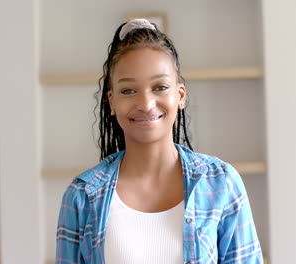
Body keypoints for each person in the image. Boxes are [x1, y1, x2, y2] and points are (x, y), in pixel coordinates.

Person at [56, 18, 263, 264]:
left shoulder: (222, 183)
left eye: (160, 87)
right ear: (111, 102)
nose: (145, 104)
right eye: (128, 90)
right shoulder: (81, 196)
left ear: (180, 95)